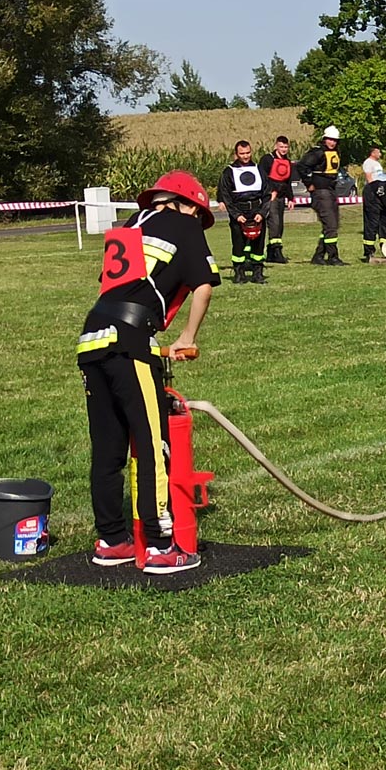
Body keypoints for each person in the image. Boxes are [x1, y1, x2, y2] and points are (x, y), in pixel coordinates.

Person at [76, 171, 220, 574]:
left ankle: (112, 540)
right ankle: (159, 546)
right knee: (152, 443)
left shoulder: (130, 225)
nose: (198, 220)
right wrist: (187, 337)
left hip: (92, 338)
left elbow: (118, 287)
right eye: (198, 213)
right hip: (130, 342)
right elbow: (203, 285)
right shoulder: (184, 224)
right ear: (186, 204)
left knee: (108, 449)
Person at [216, 139, 269, 284]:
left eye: (248, 153)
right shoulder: (229, 172)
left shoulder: (259, 169)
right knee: (238, 244)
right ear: (236, 154)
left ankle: (258, 274)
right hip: (239, 211)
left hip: (257, 210)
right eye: (242, 153)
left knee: (258, 245)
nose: (245, 156)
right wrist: (236, 215)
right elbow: (226, 196)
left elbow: (267, 193)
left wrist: (262, 213)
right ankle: (239, 273)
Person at [297, 124, 346, 265]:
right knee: (331, 225)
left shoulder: (336, 152)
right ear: (324, 139)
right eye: (330, 139)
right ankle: (332, 256)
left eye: (335, 140)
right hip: (321, 191)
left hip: (331, 190)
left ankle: (318, 256)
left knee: (332, 225)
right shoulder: (317, 152)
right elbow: (301, 166)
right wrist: (309, 184)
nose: (332, 142)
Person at [261, 135, 295, 263]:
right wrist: (270, 191)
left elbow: (288, 181)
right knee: (274, 223)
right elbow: (263, 177)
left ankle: (271, 253)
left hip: (281, 197)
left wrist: (290, 198)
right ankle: (277, 252)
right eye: (281, 147)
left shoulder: (287, 161)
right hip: (271, 197)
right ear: (276, 146)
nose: (284, 149)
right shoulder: (267, 159)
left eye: (286, 147)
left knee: (280, 225)